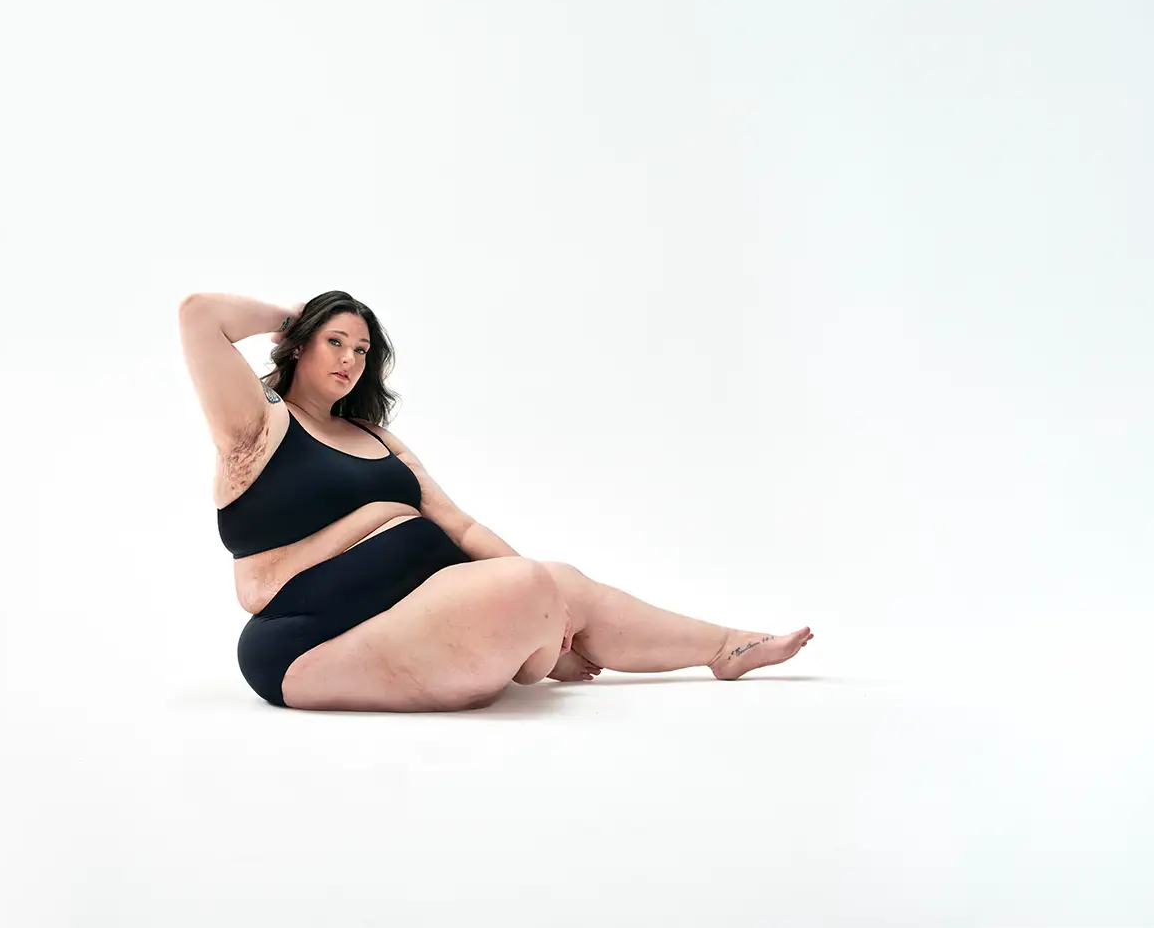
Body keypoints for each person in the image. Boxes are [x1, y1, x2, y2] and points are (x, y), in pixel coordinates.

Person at [178, 289, 814, 711]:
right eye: (335, 341)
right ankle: (536, 646)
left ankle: (724, 647)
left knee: (556, 581)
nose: (349, 358)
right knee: (528, 593)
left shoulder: (377, 438)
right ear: (303, 344)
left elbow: (458, 523)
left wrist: (542, 595)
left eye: (362, 350)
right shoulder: (260, 425)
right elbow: (199, 315)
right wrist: (298, 317)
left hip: (410, 608)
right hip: (309, 643)